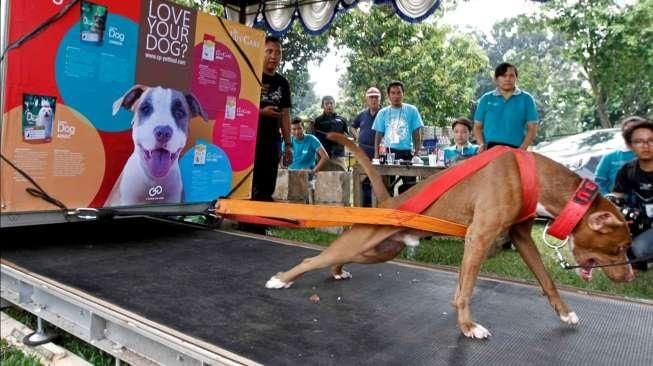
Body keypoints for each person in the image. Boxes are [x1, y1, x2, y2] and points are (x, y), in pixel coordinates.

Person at [611, 119, 653, 272]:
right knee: (637, 249)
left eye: (651, 140)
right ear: (630, 145)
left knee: (640, 250)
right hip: (643, 222)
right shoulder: (627, 170)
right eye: (639, 141)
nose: (646, 146)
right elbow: (615, 199)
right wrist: (624, 211)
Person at [372, 81, 424, 194]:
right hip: (388, 153)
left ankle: (406, 210)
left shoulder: (412, 110)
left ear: (403, 94)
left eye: (399, 93)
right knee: (386, 187)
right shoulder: (382, 112)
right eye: (393, 93)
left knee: (409, 188)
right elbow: (378, 135)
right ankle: (388, 209)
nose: (396, 96)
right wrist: (376, 155)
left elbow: (416, 133)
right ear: (388, 95)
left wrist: (417, 153)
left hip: (406, 153)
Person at [473, 62, 539, 151]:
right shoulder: (486, 99)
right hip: (490, 149)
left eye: (511, 75)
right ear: (496, 79)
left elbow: (532, 128)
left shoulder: (527, 99)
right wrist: (481, 144)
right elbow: (477, 127)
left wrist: (523, 148)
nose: (508, 78)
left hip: (517, 149)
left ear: (516, 78)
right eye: (504, 76)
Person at [594, 116, 646, 195]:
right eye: (628, 130)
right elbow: (598, 183)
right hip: (619, 204)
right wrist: (610, 200)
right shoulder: (610, 157)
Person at [350, 87, 381, 206]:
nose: (374, 100)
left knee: (380, 180)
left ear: (379, 99)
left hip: (379, 152)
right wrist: (357, 136)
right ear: (367, 99)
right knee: (364, 180)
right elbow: (352, 126)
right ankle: (366, 207)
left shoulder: (384, 113)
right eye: (371, 97)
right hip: (363, 152)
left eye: (376, 97)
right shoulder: (362, 114)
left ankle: (380, 207)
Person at [311, 96, 349, 171]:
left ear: (334, 105)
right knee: (323, 179)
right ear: (322, 106)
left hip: (339, 155)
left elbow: (346, 135)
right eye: (326, 104)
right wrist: (311, 127)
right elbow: (313, 138)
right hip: (323, 156)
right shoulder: (317, 121)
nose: (329, 105)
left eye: (331, 103)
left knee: (341, 178)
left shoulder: (342, 120)